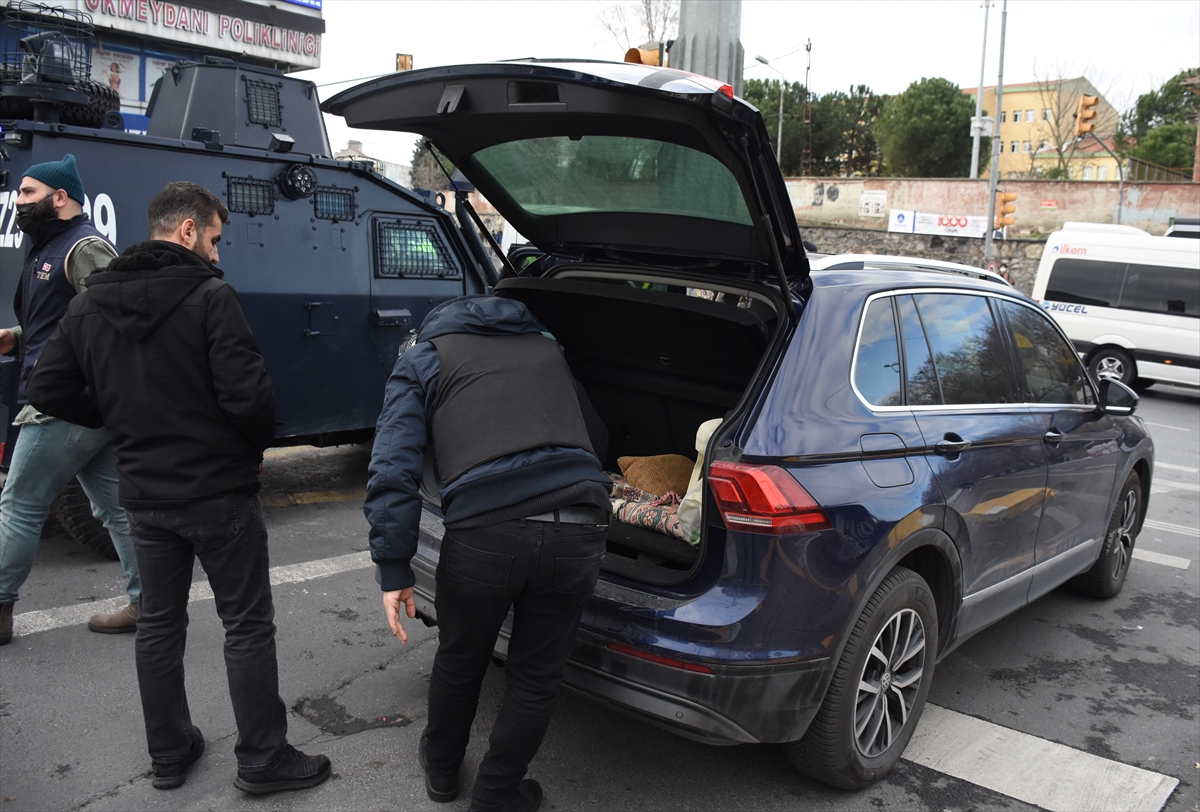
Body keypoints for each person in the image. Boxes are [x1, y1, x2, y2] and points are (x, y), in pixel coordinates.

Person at [27, 181, 331, 794]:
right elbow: (250, 400)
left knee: (161, 626)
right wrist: (248, 449)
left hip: (145, 496)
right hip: (219, 491)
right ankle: (262, 758)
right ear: (188, 230)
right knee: (245, 623)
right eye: (215, 239)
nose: (218, 254)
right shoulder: (211, 296)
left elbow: (47, 391)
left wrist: (116, 415)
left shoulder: (88, 305)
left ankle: (169, 753)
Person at [364, 294, 612, 812]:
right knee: (537, 675)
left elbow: (394, 463)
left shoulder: (425, 355)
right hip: (579, 526)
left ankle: (442, 769)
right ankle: (498, 794)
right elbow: (598, 437)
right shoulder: (548, 349)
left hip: (485, 532)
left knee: (461, 657)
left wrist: (394, 566)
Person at [0, 154, 141, 646]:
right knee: (116, 510)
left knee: (18, 503)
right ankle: (150, 604)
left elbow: (115, 318)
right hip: (80, 403)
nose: (19, 202)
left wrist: (82, 385)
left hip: (65, 403)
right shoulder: (49, 247)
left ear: (60, 198)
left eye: (28, 194)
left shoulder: (82, 246)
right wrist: (16, 338)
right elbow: (68, 319)